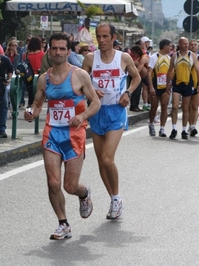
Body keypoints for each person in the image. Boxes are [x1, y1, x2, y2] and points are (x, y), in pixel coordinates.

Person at [24, 32, 100, 240]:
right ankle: (63, 223)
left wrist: (82, 115)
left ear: (68, 51)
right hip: (52, 134)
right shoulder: (44, 79)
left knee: (69, 186)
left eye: (62, 49)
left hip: (74, 135)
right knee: (53, 182)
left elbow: (95, 102)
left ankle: (84, 194)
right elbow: (37, 104)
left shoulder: (79, 75)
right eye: (54, 48)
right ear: (49, 50)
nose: (58, 52)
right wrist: (30, 113)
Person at [82, 22, 141, 219]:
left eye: (106, 36)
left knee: (108, 158)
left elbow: (137, 78)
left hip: (116, 112)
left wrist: (128, 93)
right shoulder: (90, 58)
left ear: (114, 38)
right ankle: (113, 199)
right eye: (99, 36)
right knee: (101, 162)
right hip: (97, 112)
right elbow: (82, 82)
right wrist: (91, 90)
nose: (102, 40)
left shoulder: (122, 57)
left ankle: (116, 198)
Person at [167, 37, 199, 139]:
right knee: (175, 106)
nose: (186, 45)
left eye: (187, 44)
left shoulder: (192, 55)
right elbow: (170, 70)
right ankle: (174, 128)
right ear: (179, 44)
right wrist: (168, 82)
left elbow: (198, 70)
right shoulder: (174, 56)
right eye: (184, 44)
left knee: (185, 108)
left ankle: (184, 130)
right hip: (176, 83)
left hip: (188, 83)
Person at [147, 39, 172, 137]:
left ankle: (162, 128)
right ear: (165, 46)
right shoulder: (154, 57)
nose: (171, 48)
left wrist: (170, 83)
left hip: (165, 87)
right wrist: (151, 87)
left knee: (164, 107)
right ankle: (151, 123)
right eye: (169, 46)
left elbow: (170, 72)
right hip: (155, 86)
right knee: (154, 108)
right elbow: (149, 73)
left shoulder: (169, 58)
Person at [23, 36, 45, 107]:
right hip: (39, 76)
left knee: (30, 95)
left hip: (28, 77)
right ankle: (36, 109)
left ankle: (30, 108)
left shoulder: (25, 55)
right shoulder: (42, 54)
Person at [188, 39, 199, 136]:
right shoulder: (185, 57)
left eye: (195, 45)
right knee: (188, 106)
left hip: (197, 85)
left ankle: (193, 126)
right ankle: (189, 124)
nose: (193, 46)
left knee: (195, 106)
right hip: (187, 84)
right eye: (191, 45)